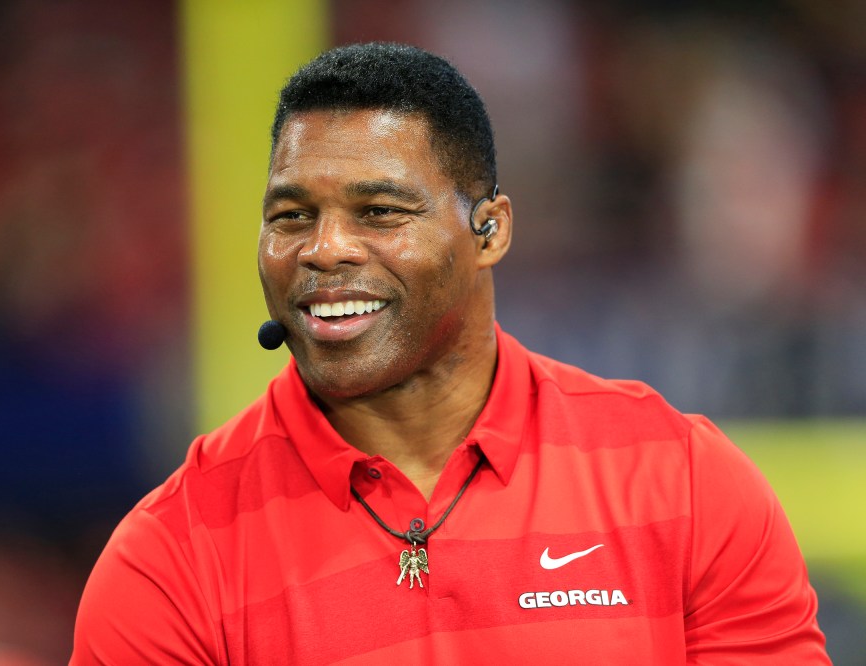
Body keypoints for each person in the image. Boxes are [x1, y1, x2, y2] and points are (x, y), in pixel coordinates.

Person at [70, 43, 829, 664]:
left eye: (380, 212)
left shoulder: (683, 485)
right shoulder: (170, 560)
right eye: (292, 215)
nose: (325, 249)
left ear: (490, 231)